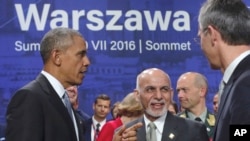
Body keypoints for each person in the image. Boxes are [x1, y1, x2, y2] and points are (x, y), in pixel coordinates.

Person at [5, 27, 90, 141]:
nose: (87, 62)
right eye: (80, 54)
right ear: (57, 57)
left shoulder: (65, 102)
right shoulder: (30, 98)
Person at [198, 0, 250, 141]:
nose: (200, 46)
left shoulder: (245, 84)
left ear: (212, 34)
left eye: (199, 37)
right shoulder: (239, 80)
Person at [122, 68, 209, 141]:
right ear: (137, 95)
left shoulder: (194, 130)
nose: (159, 96)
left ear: (171, 94)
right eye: (150, 89)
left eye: (164, 89)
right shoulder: (125, 133)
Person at [176, 72, 215, 139]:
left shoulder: (220, 123)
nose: (180, 95)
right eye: (178, 91)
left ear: (202, 91)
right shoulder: (173, 123)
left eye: (184, 90)